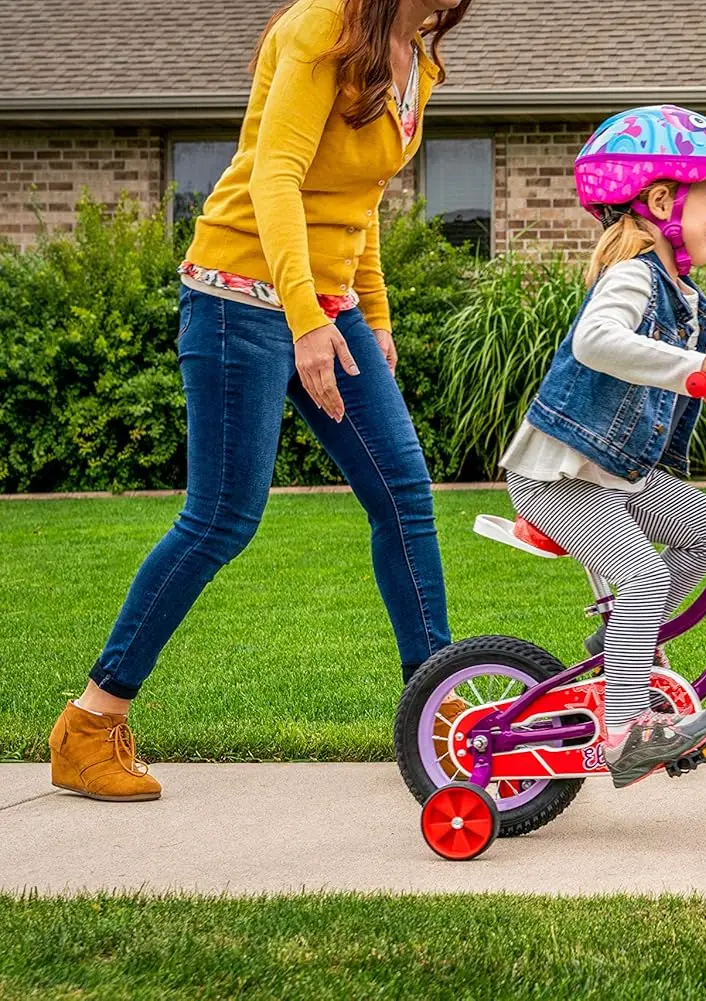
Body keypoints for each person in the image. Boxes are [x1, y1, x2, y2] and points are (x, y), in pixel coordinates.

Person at [48, 0, 471, 802]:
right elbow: (277, 171)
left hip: (330, 305)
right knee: (222, 516)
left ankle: (434, 714)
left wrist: (369, 310)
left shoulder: (416, 57)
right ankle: (89, 723)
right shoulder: (323, 25)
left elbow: (363, 198)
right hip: (240, 293)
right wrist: (307, 316)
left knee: (404, 492)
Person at [498, 104, 706, 789]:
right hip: (558, 476)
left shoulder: (685, 297)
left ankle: (621, 644)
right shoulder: (632, 274)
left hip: (616, 474)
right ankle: (624, 731)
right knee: (647, 575)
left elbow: (687, 372)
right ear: (662, 202)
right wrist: (688, 370)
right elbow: (597, 342)